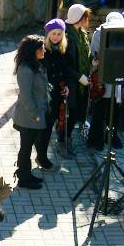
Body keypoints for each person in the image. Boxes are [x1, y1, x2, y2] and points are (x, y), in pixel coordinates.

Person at [11, 34, 49, 188]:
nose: (44, 51)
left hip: (36, 115)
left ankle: (25, 174)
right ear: (33, 51)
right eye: (41, 49)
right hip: (29, 117)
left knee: (27, 146)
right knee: (26, 148)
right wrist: (35, 115)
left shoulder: (36, 64)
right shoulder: (25, 69)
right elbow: (26, 96)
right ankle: (23, 178)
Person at [41, 18, 80, 158]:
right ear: (48, 34)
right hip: (48, 92)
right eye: (53, 34)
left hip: (61, 89)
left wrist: (68, 86)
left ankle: (62, 144)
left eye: (59, 34)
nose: (56, 37)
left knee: (64, 118)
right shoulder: (43, 49)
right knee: (49, 122)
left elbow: (67, 68)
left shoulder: (65, 48)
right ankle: (42, 154)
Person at [87, 12, 124, 151]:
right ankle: (96, 139)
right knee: (100, 110)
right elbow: (95, 55)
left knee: (114, 111)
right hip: (103, 79)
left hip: (118, 77)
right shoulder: (99, 34)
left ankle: (111, 137)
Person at [64, 5, 92, 138]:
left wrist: (92, 61)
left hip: (83, 81)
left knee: (79, 110)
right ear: (78, 18)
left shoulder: (82, 33)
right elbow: (64, 64)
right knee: (71, 113)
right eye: (84, 17)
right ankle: (64, 140)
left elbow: (86, 55)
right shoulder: (67, 36)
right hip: (71, 83)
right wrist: (79, 76)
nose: (87, 20)